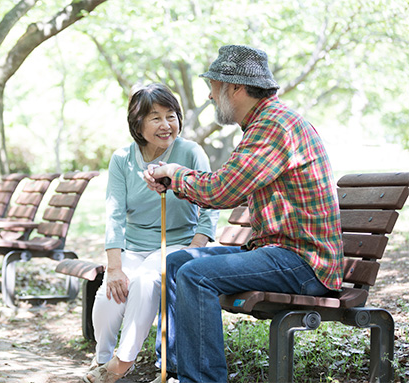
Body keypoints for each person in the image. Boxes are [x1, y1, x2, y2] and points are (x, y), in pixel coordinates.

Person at [144, 45, 343, 383]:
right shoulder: (264, 124)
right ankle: (175, 372)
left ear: (234, 87)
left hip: (305, 262)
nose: (209, 95)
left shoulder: (274, 126)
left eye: (214, 86)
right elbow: (227, 184)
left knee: (196, 275)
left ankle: (202, 380)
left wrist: (176, 174)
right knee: (175, 263)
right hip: (279, 252)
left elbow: (222, 190)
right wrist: (176, 181)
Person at [83, 83, 220, 383]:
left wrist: (195, 248)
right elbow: (114, 214)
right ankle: (103, 359)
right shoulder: (123, 159)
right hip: (134, 246)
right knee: (110, 294)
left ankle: (121, 363)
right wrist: (115, 267)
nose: (166, 124)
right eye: (155, 117)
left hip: (176, 245)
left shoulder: (190, 152)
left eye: (171, 115)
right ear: (138, 123)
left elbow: (210, 206)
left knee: (145, 283)